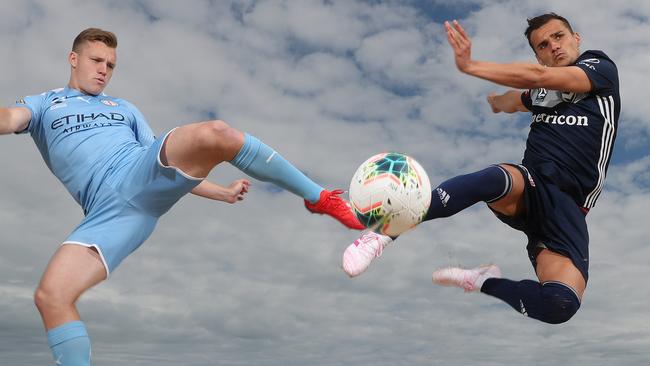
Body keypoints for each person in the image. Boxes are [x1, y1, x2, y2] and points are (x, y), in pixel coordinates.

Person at [0, 28, 364, 365]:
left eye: (110, 65)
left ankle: (319, 197)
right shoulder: (45, 104)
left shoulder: (123, 109)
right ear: (74, 59)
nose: (104, 70)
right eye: (97, 61)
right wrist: (224, 194)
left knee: (216, 133)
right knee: (51, 297)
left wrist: (219, 193)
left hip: (138, 170)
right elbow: (9, 118)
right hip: (108, 216)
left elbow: (163, 161)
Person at [341, 13, 620, 325]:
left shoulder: (600, 69)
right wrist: (498, 102)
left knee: (560, 305)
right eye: (543, 45)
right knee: (494, 179)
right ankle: (384, 232)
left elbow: (537, 79)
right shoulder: (540, 94)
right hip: (531, 185)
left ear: (576, 38)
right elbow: (520, 97)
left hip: (569, 209)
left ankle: (481, 280)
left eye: (559, 36)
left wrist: (471, 66)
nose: (553, 46)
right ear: (538, 55)